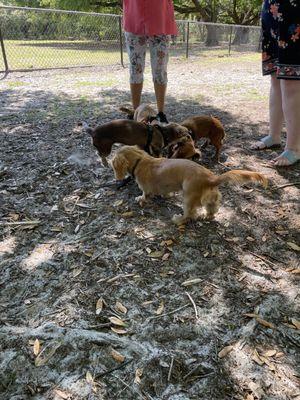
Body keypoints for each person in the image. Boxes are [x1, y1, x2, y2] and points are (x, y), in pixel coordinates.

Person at [252, 0, 300, 166]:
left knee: (291, 81)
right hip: (271, 12)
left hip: (294, 12)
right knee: (275, 78)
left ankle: (294, 148)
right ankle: (274, 136)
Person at [122, 0, 178, 124]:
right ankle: (136, 112)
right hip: (134, 17)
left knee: (160, 70)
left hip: (160, 18)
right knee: (135, 68)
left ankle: (161, 113)